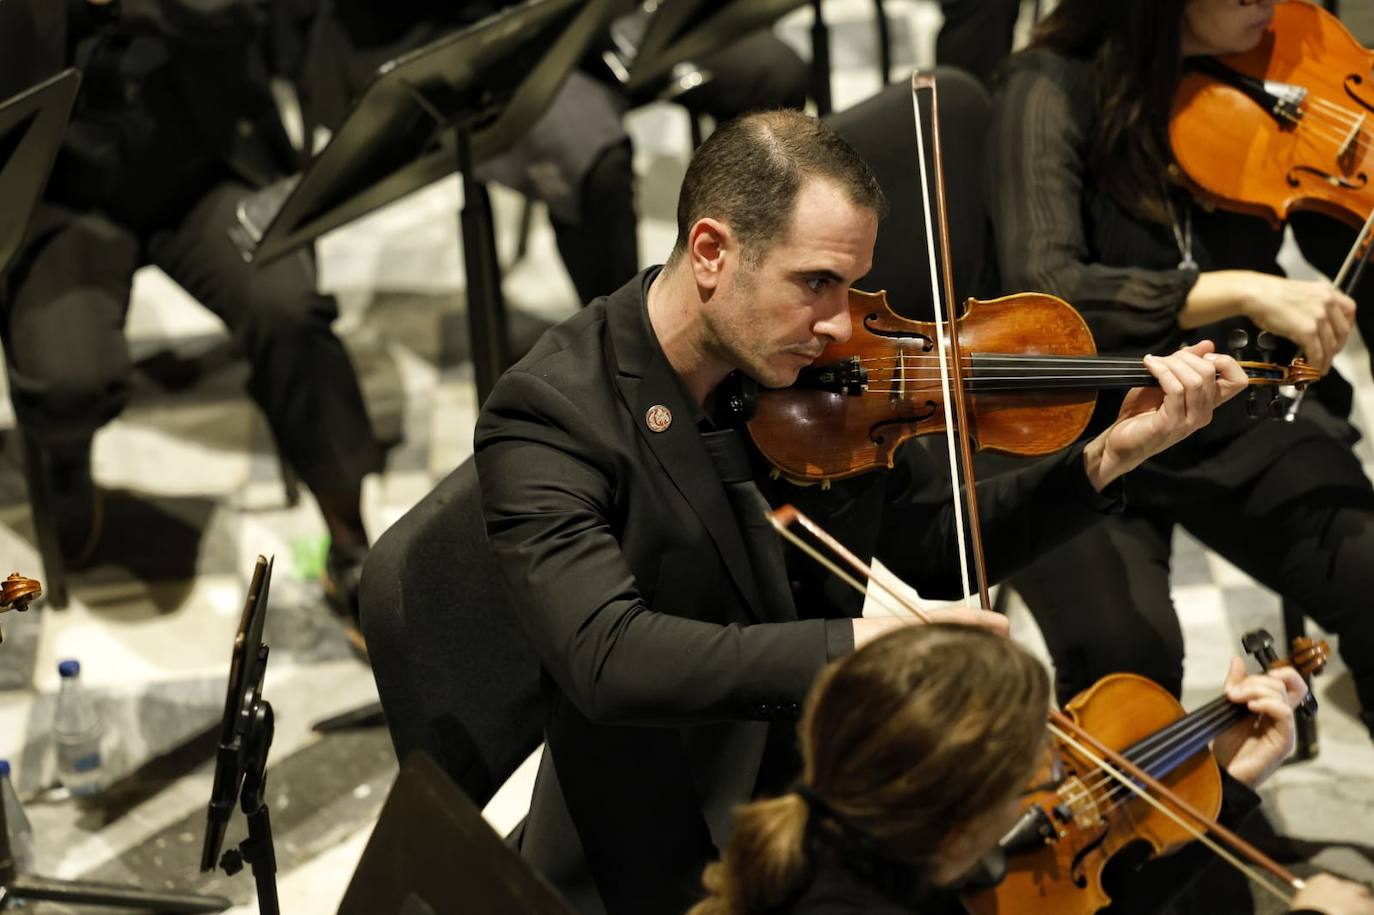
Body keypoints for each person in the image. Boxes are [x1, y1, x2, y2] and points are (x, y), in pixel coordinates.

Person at [474, 109, 1248, 914]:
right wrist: (856, 644)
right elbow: (608, 657)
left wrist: (1104, 460)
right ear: (711, 252)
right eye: (814, 282)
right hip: (659, 845)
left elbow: (925, 544)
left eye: (849, 285)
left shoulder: (813, 378)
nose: (842, 322)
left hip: (818, 802)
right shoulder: (553, 411)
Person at [984, 0, 1374, 739]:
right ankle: (1144, 847)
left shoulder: (1273, 80)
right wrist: (1240, 288)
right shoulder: (1046, 89)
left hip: (1231, 408)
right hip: (1085, 430)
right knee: (1128, 658)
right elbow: (1050, 292)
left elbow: (1338, 245)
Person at [2, 0, 382, 640]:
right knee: (67, 383)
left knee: (287, 309)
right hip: (61, 194)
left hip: (204, 169)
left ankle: (350, 538)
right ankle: (65, 458)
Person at [687, 625, 1373, 915]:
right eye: (1045, 760)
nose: (1066, 787)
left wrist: (1236, 784)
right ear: (967, 808)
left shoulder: (826, 832)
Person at [295, 0, 810, 305]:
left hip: (586, 17)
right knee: (592, 160)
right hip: (469, 42)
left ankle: (744, 289)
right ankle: (628, 359)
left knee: (771, 71)